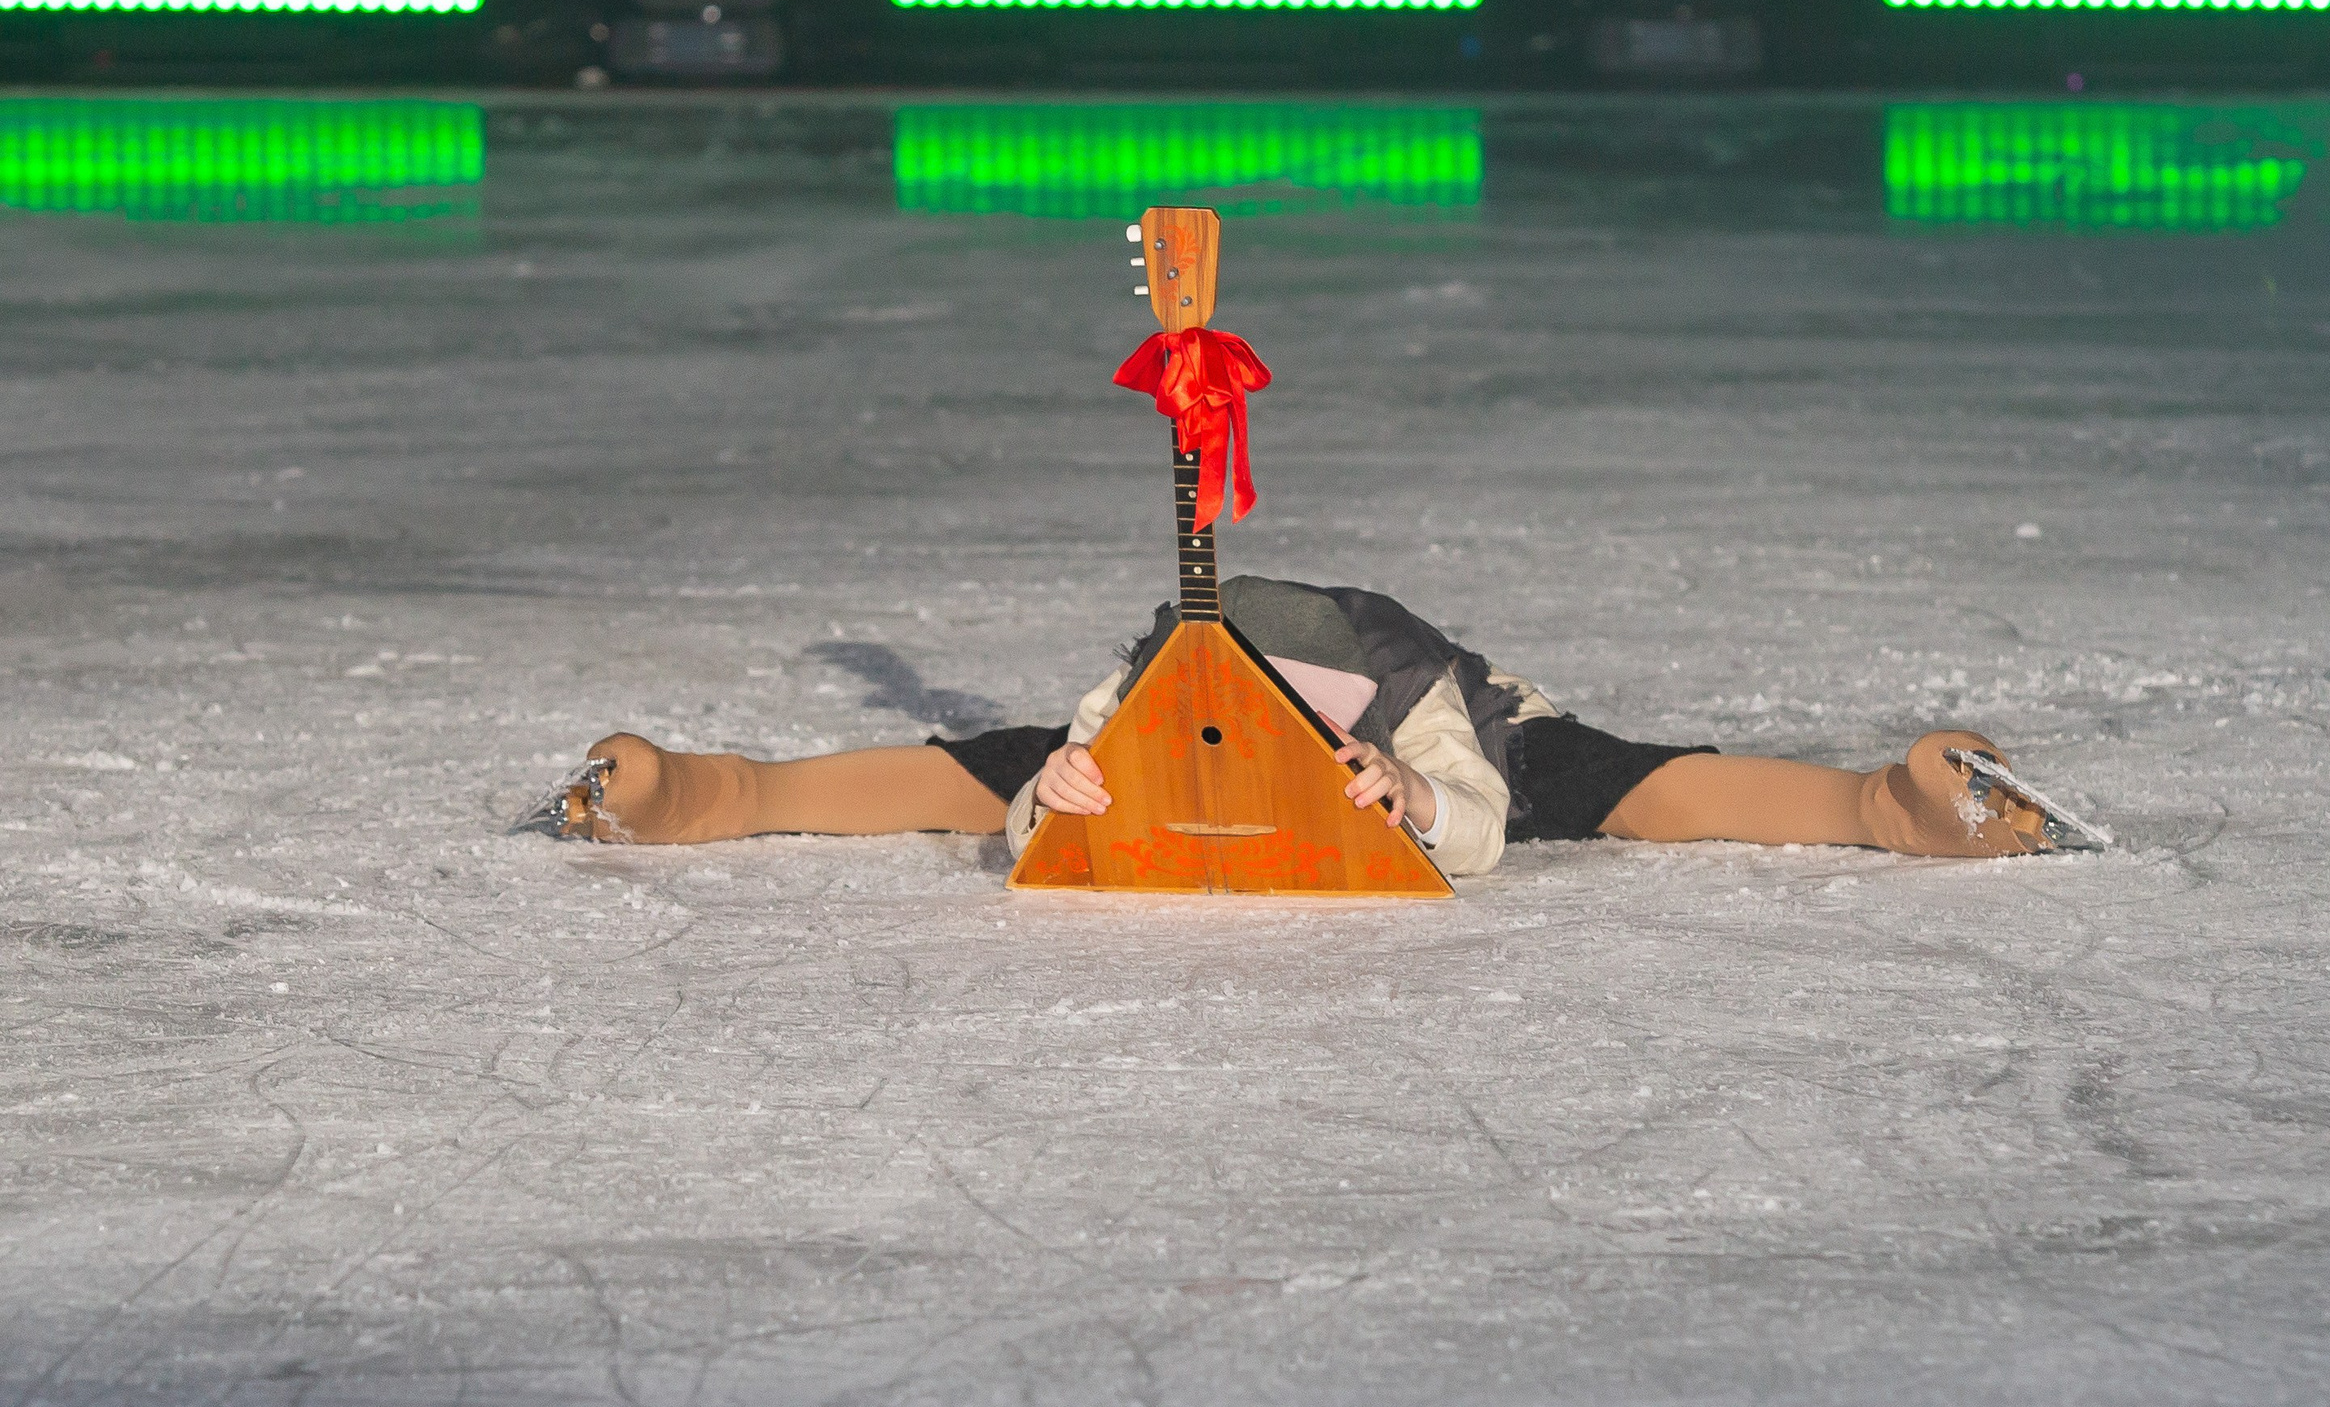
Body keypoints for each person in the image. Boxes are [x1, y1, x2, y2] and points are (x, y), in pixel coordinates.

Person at [544, 576, 2088, 868]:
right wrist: (1063, 796)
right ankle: (710, 793)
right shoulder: (1162, 684)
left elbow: (1475, 827)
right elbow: (1025, 811)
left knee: (1618, 788)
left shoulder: (1411, 703)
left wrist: (1420, 808)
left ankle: (1896, 804)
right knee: (979, 772)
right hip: (1211, 720)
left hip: (1477, 738)